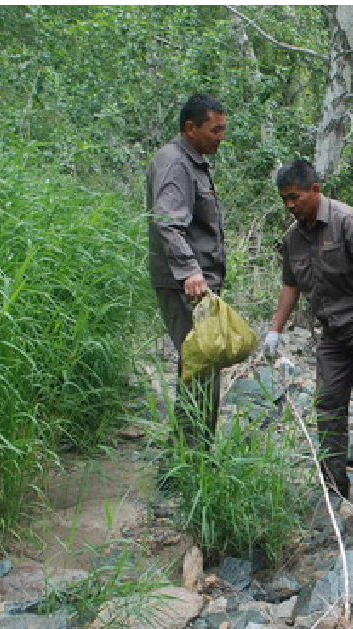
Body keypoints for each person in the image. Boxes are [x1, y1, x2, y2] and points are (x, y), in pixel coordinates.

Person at [263, 159, 353, 498]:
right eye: (284, 199)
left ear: (315, 189)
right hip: (331, 333)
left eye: (295, 197)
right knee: (327, 405)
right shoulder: (293, 238)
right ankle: (334, 488)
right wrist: (275, 331)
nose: (289, 205)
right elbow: (290, 285)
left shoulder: (346, 221)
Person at [147, 93, 228, 449]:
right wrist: (190, 272)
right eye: (215, 130)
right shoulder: (175, 162)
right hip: (187, 286)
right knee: (200, 366)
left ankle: (193, 451)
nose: (221, 137)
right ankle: (191, 455)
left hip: (196, 284)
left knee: (201, 365)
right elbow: (167, 221)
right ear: (191, 128)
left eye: (223, 130)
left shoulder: (192, 161)